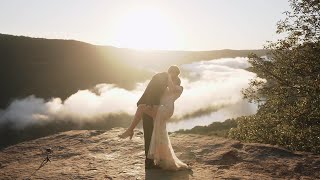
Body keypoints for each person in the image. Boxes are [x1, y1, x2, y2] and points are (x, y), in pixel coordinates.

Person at [118, 66, 189, 170]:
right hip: (160, 108)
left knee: (141, 107)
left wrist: (168, 76)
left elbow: (172, 88)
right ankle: (160, 158)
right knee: (159, 134)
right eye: (173, 75)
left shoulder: (179, 88)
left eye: (176, 76)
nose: (174, 77)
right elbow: (157, 91)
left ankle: (130, 130)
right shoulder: (167, 85)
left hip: (166, 110)